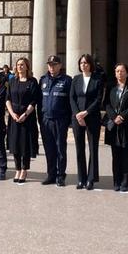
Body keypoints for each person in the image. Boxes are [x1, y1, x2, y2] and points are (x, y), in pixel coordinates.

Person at [70, 54, 105, 190]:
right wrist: (78, 114)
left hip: (92, 117)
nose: (83, 65)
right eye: (81, 63)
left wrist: (86, 113)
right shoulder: (76, 79)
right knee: (79, 149)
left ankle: (91, 178)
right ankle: (81, 179)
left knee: (92, 148)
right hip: (77, 117)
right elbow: (72, 98)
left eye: (86, 63)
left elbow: (98, 99)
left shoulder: (97, 79)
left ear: (90, 64)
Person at [39, 55, 73, 186]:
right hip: (46, 121)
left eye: (54, 64)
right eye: (49, 64)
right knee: (49, 149)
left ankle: (60, 176)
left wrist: (68, 120)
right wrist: (41, 119)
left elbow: (70, 102)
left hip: (60, 120)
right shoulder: (43, 80)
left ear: (60, 65)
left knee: (60, 149)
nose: (51, 67)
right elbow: (39, 102)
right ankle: (51, 175)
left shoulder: (67, 81)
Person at [105, 63, 128, 192]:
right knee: (115, 155)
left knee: (126, 155)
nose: (120, 73)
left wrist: (122, 116)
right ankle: (116, 181)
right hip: (114, 126)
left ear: (127, 73)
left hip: (127, 125)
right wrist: (114, 117)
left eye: (122, 71)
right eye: (117, 71)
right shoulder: (111, 87)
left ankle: (125, 182)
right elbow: (106, 104)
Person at [6, 57, 40, 183]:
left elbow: (34, 100)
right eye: (18, 65)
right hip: (14, 117)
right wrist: (12, 113)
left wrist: (25, 114)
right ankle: (17, 169)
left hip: (27, 117)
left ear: (27, 66)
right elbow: (7, 98)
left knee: (25, 145)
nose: (20, 67)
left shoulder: (32, 82)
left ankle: (24, 169)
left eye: (22, 65)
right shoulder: (12, 81)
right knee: (15, 144)